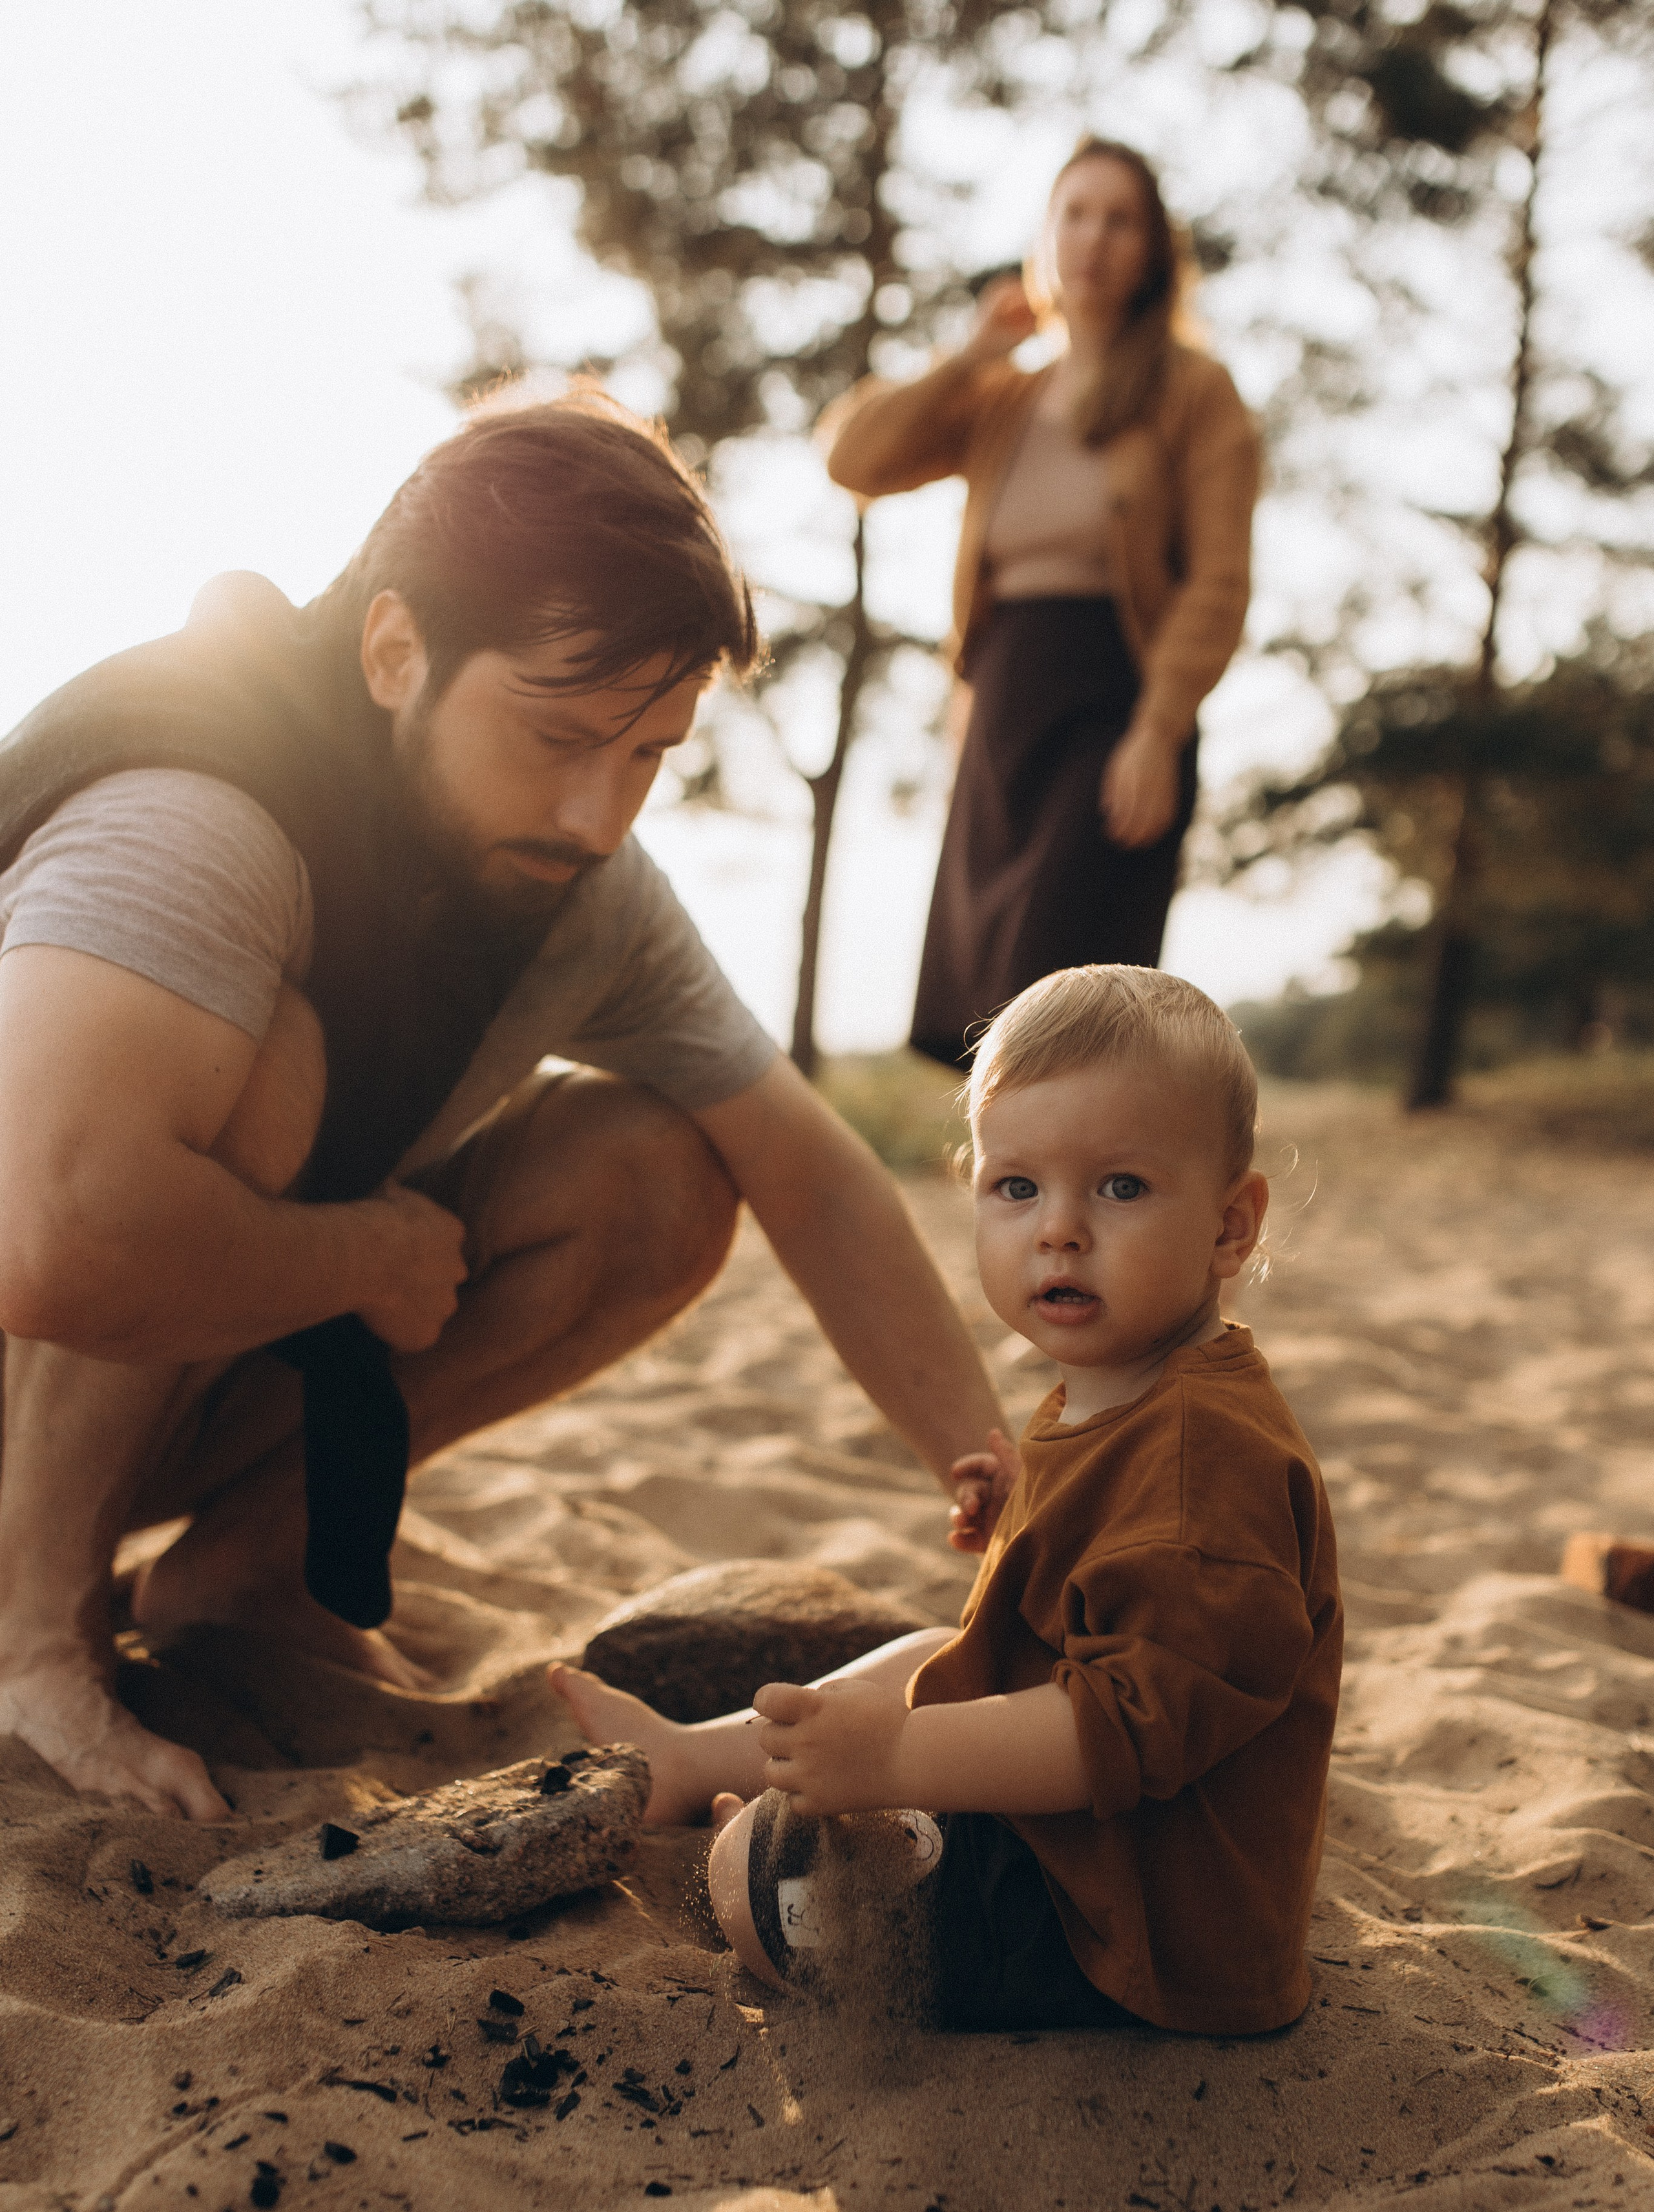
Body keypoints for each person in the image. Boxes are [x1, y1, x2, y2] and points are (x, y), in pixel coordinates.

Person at [0, 390, 1009, 1822]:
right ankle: (29, 1629)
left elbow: (804, 1168)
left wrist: (997, 1485)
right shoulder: (193, 807)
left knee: (660, 1168)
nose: (599, 814)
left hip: (161, 1375)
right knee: (268, 1072)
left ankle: (247, 1571)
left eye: (650, 753)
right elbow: (56, 1235)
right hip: (33, 1332)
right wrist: (364, 1255)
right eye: (557, 736)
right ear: (395, 647)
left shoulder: (580, 884)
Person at [553, 965, 1344, 2037]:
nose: (1058, 1230)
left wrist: (895, 1762)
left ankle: (773, 1849)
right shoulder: (1134, 1388)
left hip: (1129, 1934)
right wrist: (1030, 1515)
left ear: (1229, 1226)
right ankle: (693, 1757)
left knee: (755, 1885)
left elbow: (1121, 1729)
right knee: (933, 1647)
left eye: (1119, 1187)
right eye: (1017, 1188)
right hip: (1097, 1851)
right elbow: (1108, 1582)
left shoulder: (1211, 1466)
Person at [820, 140, 1261, 1071]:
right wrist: (969, 355)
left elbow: (1219, 582)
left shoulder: (1195, 392)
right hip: (1005, 702)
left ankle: (1085, 1204)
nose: (1093, 237)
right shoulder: (1004, 398)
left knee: (1065, 1008)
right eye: (1075, 212)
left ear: (1152, 251)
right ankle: (1009, 1208)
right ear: (1045, 234)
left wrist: (1159, 729)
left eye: (1120, 218)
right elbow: (853, 461)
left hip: (1118, 703)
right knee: (983, 1014)